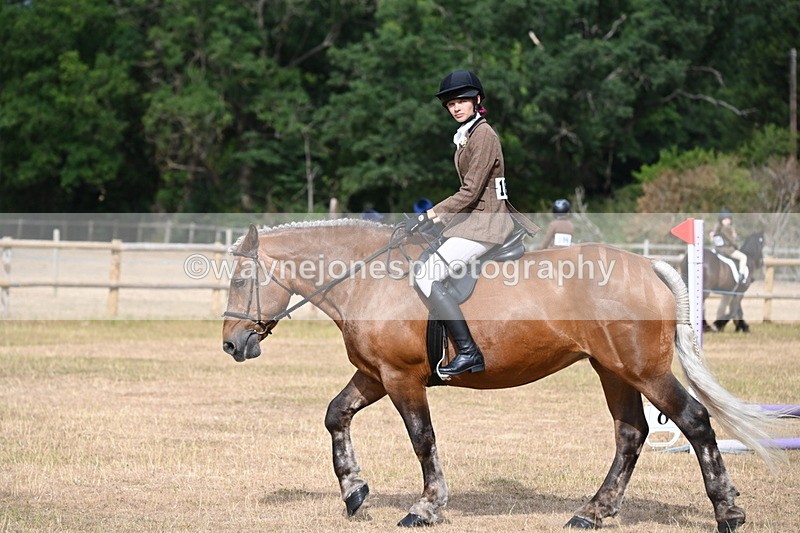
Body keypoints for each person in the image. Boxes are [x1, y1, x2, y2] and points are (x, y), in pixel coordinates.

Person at [405, 69, 539, 377]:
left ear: (477, 100)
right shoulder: (468, 134)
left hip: (487, 224)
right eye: (450, 103)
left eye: (462, 101)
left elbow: (471, 190)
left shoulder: (484, 135)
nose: (455, 107)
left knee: (427, 274)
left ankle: (468, 352)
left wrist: (431, 215)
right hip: (474, 220)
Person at [710, 208, 748, 283]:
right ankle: (741, 275)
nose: (728, 221)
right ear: (722, 220)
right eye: (725, 219)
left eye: (728, 219)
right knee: (744, 257)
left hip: (717, 249)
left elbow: (713, 240)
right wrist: (734, 237)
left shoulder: (717, 228)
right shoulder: (726, 229)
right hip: (727, 250)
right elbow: (732, 241)